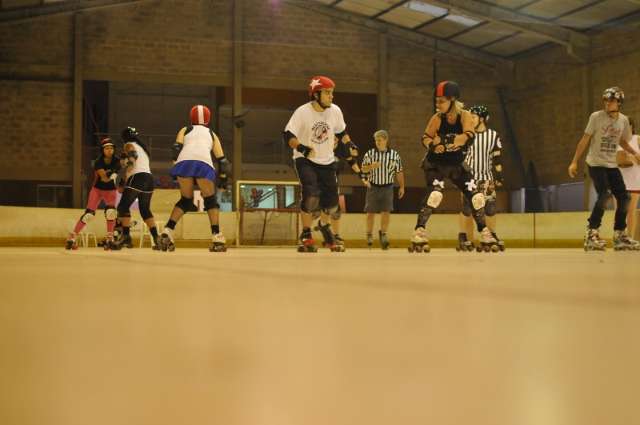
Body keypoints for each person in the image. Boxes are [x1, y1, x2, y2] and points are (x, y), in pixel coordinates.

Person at [409, 80, 499, 253]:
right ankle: (419, 231)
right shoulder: (437, 118)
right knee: (435, 194)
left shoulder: (464, 116)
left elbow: (468, 136)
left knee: (476, 196)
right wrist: (433, 145)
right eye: (437, 101)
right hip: (435, 164)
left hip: (456, 164)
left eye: (441, 101)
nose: (438, 104)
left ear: (452, 100)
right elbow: (426, 138)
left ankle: (484, 232)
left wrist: (443, 141)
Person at [283, 75, 358, 252]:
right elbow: (288, 135)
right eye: (327, 93)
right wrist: (302, 148)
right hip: (305, 159)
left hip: (327, 160)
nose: (332, 96)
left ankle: (324, 226)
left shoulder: (335, 111)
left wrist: (349, 143)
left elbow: (341, 132)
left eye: (332, 93)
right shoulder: (302, 111)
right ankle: (307, 233)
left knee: (332, 204)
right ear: (316, 94)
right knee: (311, 193)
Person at [568, 87, 640, 251]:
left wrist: (634, 153)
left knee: (624, 197)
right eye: (606, 100)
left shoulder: (623, 121)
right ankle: (592, 233)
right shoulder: (596, 117)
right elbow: (585, 139)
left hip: (611, 164)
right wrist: (574, 162)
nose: (608, 103)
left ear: (619, 103)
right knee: (604, 194)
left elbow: (622, 141)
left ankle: (620, 235)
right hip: (595, 163)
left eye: (612, 100)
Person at [157, 105, 231, 252]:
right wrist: (223, 178)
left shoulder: (185, 129)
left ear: (191, 117)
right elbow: (223, 161)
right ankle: (217, 238)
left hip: (184, 162)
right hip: (203, 163)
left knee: (185, 200)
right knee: (210, 200)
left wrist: (178, 169)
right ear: (208, 118)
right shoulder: (212, 134)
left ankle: (167, 232)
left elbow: (175, 150)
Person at [458, 105, 505, 252]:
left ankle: (491, 235)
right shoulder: (466, 134)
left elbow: (497, 159)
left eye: (474, 117)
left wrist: (499, 176)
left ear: (482, 119)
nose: (471, 120)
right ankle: (466, 237)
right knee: (467, 210)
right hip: (469, 178)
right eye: (470, 117)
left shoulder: (493, 135)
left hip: (487, 178)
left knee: (490, 210)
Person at [65, 137, 120, 250]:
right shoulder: (98, 162)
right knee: (89, 215)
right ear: (102, 150)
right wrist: (112, 173)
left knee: (111, 213)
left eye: (111, 148)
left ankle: (110, 238)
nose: (109, 150)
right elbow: (104, 179)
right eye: (106, 148)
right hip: (97, 190)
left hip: (110, 190)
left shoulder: (117, 160)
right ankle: (72, 237)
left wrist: (116, 170)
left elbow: (117, 169)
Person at [112, 127, 160, 250]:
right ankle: (157, 238)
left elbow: (132, 157)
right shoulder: (143, 148)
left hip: (137, 177)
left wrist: (127, 171)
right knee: (145, 210)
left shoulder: (129, 144)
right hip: (149, 179)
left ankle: (125, 236)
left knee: (122, 207)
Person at [361, 130, 405, 250]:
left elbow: (399, 171)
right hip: (373, 186)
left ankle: (384, 234)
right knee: (370, 212)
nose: (377, 142)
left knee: (386, 211)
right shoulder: (370, 154)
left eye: (379, 140)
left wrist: (402, 186)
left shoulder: (394, 155)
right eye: (376, 140)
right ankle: (369, 234)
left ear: (386, 140)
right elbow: (363, 170)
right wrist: (371, 167)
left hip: (388, 186)